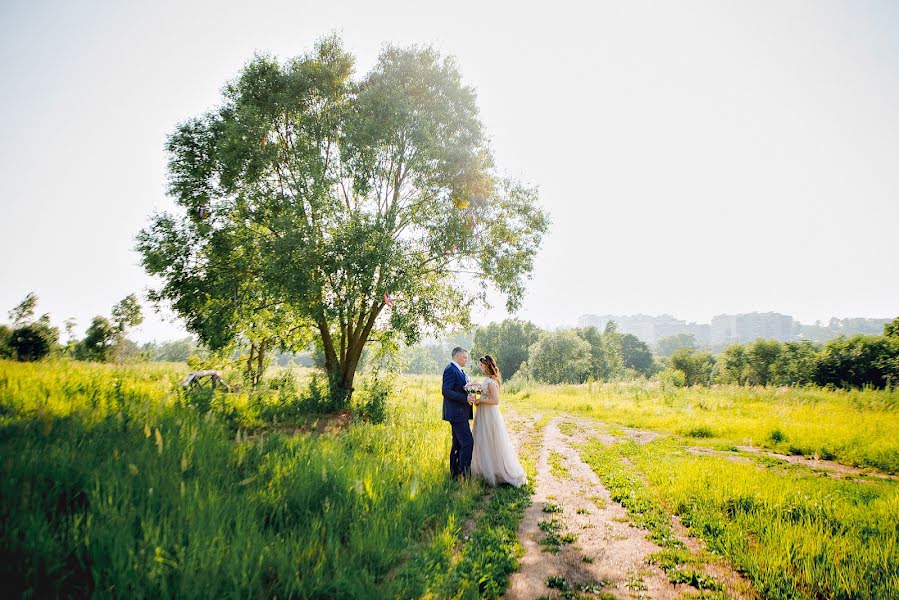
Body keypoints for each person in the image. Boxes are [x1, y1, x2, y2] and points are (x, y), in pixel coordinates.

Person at [470, 354, 527, 488]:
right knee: (482, 440)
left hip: (489, 414)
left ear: (487, 366)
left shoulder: (491, 382)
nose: (480, 367)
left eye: (482, 365)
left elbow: (495, 401)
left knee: (491, 439)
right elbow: (486, 394)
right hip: (483, 412)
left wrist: (480, 400)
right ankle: (483, 470)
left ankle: (497, 471)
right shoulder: (487, 380)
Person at [442, 346, 476, 479]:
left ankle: (455, 474)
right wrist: (465, 398)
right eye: (464, 357)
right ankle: (464, 473)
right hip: (456, 414)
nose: (466, 360)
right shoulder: (450, 370)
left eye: (467, 357)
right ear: (457, 357)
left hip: (460, 413)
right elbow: (446, 391)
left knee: (457, 443)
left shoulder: (460, 371)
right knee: (467, 442)